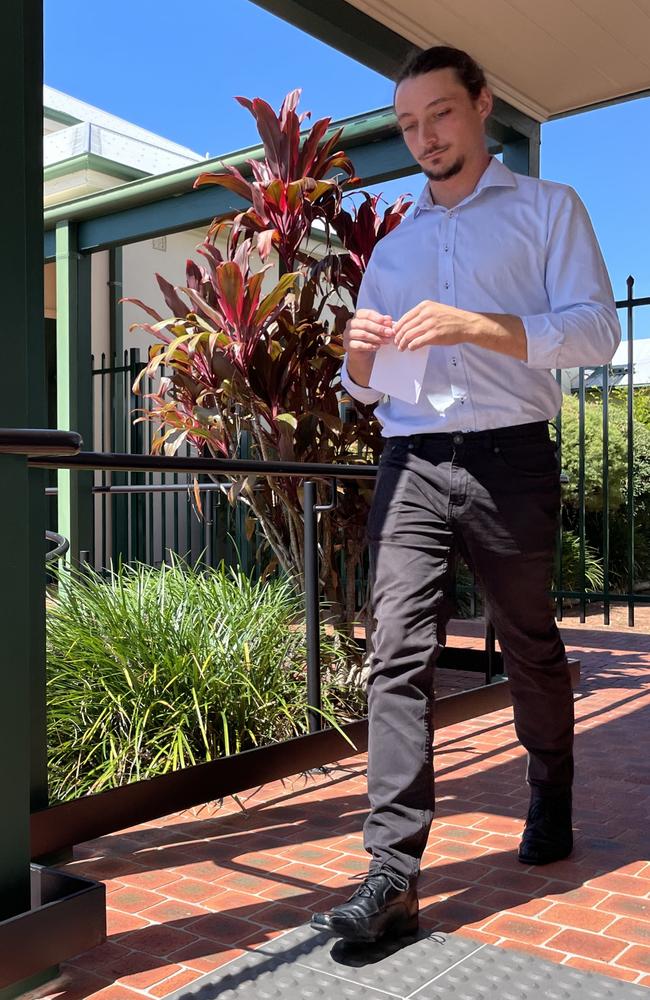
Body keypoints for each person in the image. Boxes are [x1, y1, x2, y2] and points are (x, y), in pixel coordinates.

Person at [310, 45, 621, 945]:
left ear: (481, 105)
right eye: (408, 125)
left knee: (526, 638)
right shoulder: (395, 246)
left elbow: (596, 329)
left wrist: (479, 327)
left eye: (438, 114)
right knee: (396, 653)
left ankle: (549, 782)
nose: (424, 138)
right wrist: (359, 363)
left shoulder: (547, 209)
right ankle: (394, 872)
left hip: (509, 458)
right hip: (410, 460)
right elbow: (359, 387)